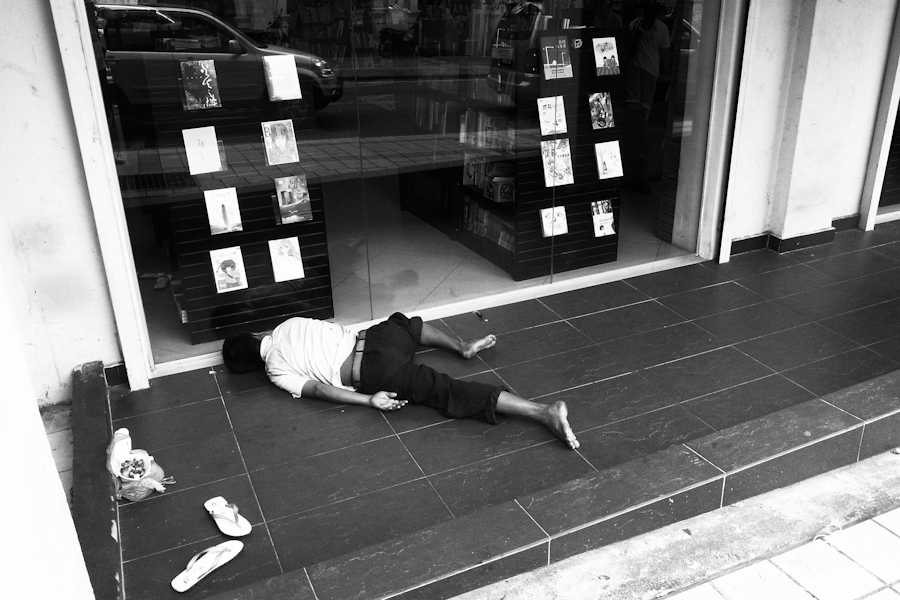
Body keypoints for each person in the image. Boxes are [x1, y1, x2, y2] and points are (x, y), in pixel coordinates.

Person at [222, 313, 580, 449]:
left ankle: (543, 412)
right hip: (376, 339)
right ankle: (460, 345)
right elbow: (331, 330)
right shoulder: (287, 324)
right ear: (255, 335)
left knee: (449, 391)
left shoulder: (275, 372)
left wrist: (369, 399)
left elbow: (318, 389)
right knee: (405, 325)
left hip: (373, 372)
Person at [626, 4, 671, 122]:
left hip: (633, 63)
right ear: (661, 14)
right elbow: (664, 51)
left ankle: (632, 121)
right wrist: (667, 68)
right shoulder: (662, 28)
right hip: (651, 66)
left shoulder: (635, 22)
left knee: (633, 96)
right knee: (647, 97)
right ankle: (643, 121)